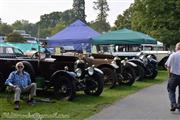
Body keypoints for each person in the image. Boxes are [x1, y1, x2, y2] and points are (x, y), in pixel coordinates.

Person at [165, 42, 180, 111]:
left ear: (177, 47)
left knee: (171, 90)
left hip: (174, 75)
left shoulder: (173, 55)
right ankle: (179, 105)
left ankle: (173, 104)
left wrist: (169, 76)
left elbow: (168, 66)